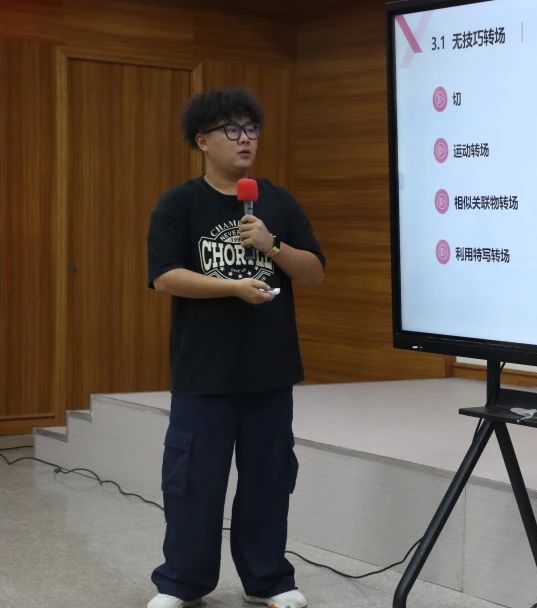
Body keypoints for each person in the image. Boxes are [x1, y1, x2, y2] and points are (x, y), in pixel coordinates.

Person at [145, 88, 324, 608]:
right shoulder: (179, 203)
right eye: (232, 130)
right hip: (204, 371)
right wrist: (231, 287)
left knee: (269, 480)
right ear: (202, 141)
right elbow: (165, 277)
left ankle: (269, 581)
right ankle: (181, 583)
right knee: (193, 483)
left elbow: (314, 273)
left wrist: (272, 244)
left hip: (269, 369)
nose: (245, 139)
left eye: (251, 129)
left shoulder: (278, 202)